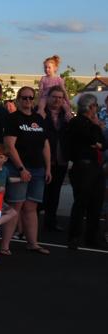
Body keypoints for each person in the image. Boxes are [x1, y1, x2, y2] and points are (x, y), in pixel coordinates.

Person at [0, 86, 52, 256]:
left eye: (30, 98)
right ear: (18, 99)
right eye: (24, 98)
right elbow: (9, 146)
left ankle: (33, 243)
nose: (27, 101)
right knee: (16, 206)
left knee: (31, 207)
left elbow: (45, 145)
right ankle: (5, 246)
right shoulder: (12, 119)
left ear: (34, 99)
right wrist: (21, 168)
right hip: (18, 169)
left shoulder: (39, 118)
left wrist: (48, 167)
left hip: (38, 169)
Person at [67, 94, 106, 249]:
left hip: (95, 166)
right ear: (90, 107)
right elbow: (90, 139)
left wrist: (98, 142)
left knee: (96, 203)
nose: (97, 109)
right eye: (95, 106)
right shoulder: (77, 122)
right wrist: (96, 128)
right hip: (83, 166)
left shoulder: (91, 123)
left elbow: (103, 144)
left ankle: (92, 237)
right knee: (81, 202)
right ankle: (74, 236)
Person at [42, 85, 72, 231]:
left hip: (61, 159)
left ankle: (50, 222)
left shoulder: (66, 116)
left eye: (60, 97)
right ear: (48, 98)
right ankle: (31, 223)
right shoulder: (41, 113)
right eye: (54, 97)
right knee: (42, 193)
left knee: (55, 192)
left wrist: (70, 118)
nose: (57, 100)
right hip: (44, 159)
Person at [36, 55, 72, 120]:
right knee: (41, 103)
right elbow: (40, 91)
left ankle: (68, 114)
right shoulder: (43, 78)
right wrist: (37, 101)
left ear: (55, 68)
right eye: (45, 67)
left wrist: (67, 100)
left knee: (65, 105)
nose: (47, 69)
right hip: (46, 96)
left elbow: (63, 90)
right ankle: (41, 113)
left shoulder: (58, 79)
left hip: (57, 96)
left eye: (49, 67)